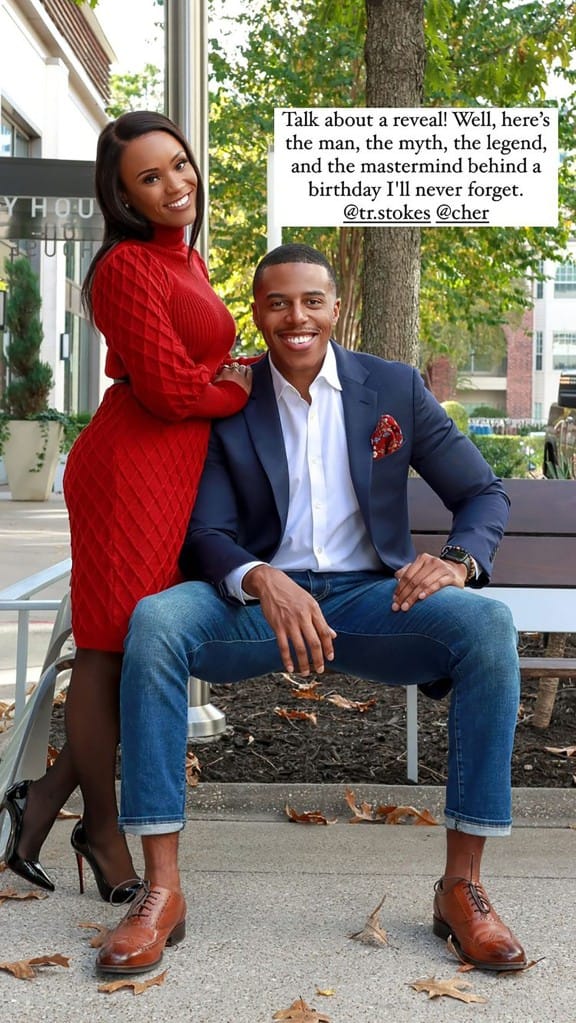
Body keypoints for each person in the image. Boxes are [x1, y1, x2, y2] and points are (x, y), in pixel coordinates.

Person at [96, 243, 526, 974]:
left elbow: (483, 492)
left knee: (488, 625)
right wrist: (262, 577)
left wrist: (458, 562)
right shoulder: (233, 396)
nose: (296, 317)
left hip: (373, 598)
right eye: (278, 303)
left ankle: (463, 886)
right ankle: (162, 890)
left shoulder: (392, 387)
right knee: (158, 623)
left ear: (335, 308)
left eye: (311, 301)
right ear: (257, 313)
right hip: (261, 603)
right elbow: (206, 531)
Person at [0, 111, 251, 902]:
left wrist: (232, 372)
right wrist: (236, 390)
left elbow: (192, 365)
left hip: (170, 474)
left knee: (128, 648)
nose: (175, 184)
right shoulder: (123, 268)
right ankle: (102, 832)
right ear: (122, 195)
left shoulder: (187, 259)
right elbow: (173, 390)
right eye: (150, 177)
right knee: (109, 650)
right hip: (128, 474)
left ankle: (41, 805)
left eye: (179, 164)